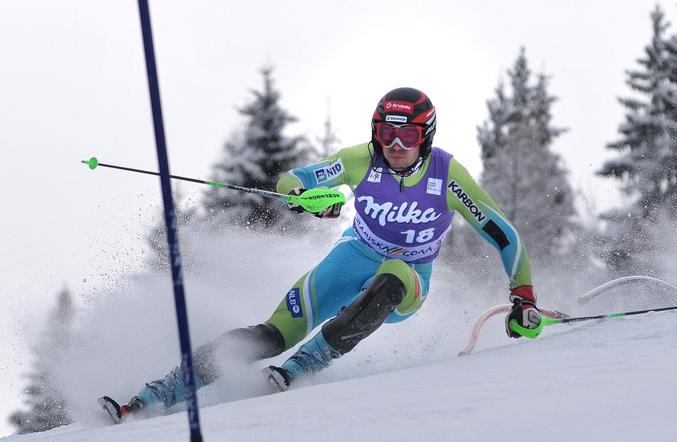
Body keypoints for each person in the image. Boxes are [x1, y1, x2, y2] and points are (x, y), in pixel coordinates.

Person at [101, 87, 543, 422]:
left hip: (409, 275)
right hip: (352, 257)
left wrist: (522, 295)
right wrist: (308, 199)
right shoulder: (360, 160)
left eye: (407, 134)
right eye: (387, 133)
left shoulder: (448, 175)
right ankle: (156, 394)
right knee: (273, 333)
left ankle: (301, 367)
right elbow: (292, 179)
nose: (395, 144)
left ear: (425, 137)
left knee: (390, 276)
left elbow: (504, 234)